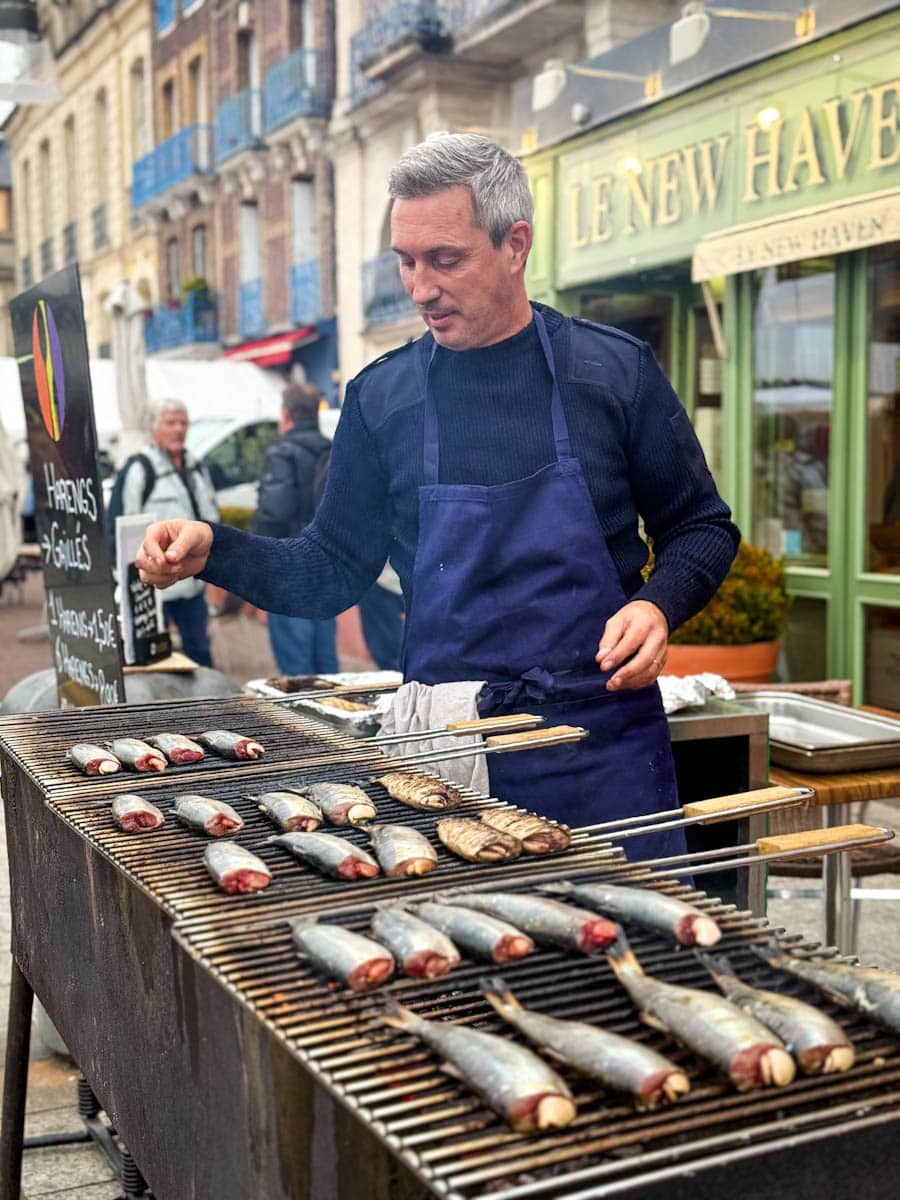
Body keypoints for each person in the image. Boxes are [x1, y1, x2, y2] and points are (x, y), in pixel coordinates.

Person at [137, 133, 739, 858]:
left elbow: (701, 526)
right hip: (445, 755)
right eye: (406, 261)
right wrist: (215, 548)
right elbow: (331, 568)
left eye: (445, 260)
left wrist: (657, 602)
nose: (419, 288)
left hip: (598, 746)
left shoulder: (611, 373)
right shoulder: (380, 397)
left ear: (514, 245)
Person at [120, 398, 219, 666]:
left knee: (200, 654)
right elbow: (125, 530)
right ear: (155, 428)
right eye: (170, 423)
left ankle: (206, 708)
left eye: (183, 423)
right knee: (152, 661)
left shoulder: (197, 467)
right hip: (155, 589)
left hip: (193, 585)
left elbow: (212, 520)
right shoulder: (140, 470)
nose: (179, 429)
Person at [252, 383, 338, 676]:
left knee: (296, 661)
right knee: (325, 658)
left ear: (287, 415)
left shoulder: (283, 452)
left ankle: (302, 720)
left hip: (289, 565)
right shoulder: (333, 450)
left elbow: (274, 511)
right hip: (326, 565)